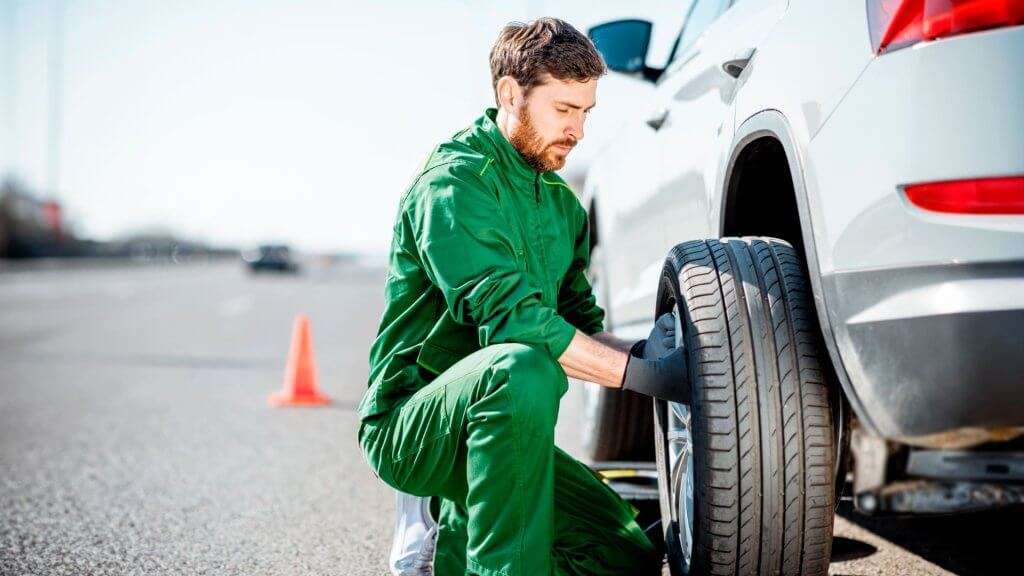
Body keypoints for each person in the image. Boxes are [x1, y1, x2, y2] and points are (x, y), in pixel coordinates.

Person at [358, 17, 689, 576]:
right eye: (563, 110)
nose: (579, 130)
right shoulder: (454, 182)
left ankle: (454, 556)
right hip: (417, 427)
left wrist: (647, 355)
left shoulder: (562, 205)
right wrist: (640, 379)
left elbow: (579, 327)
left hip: (509, 429)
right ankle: (457, 533)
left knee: (623, 553)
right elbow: (512, 322)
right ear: (510, 93)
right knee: (519, 367)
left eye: (586, 112)